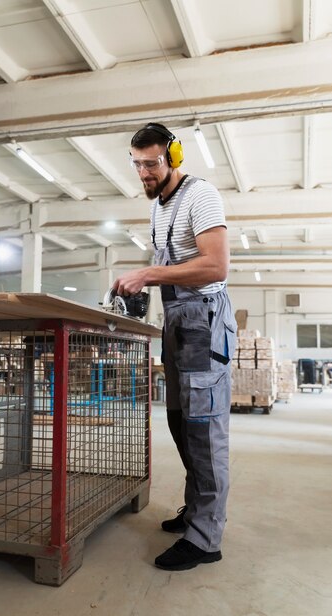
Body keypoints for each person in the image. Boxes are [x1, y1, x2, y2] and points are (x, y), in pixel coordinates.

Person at [112, 122, 237, 571]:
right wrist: (138, 289)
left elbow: (214, 264)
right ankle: (195, 512)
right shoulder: (158, 207)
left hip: (204, 319)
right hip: (177, 321)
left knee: (205, 429)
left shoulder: (200, 196)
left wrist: (147, 274)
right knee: (180, 421)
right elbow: (170, 266)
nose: (144, 172)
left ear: (173, 157)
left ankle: (206, 539)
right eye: (138, 164)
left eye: (152, 163)